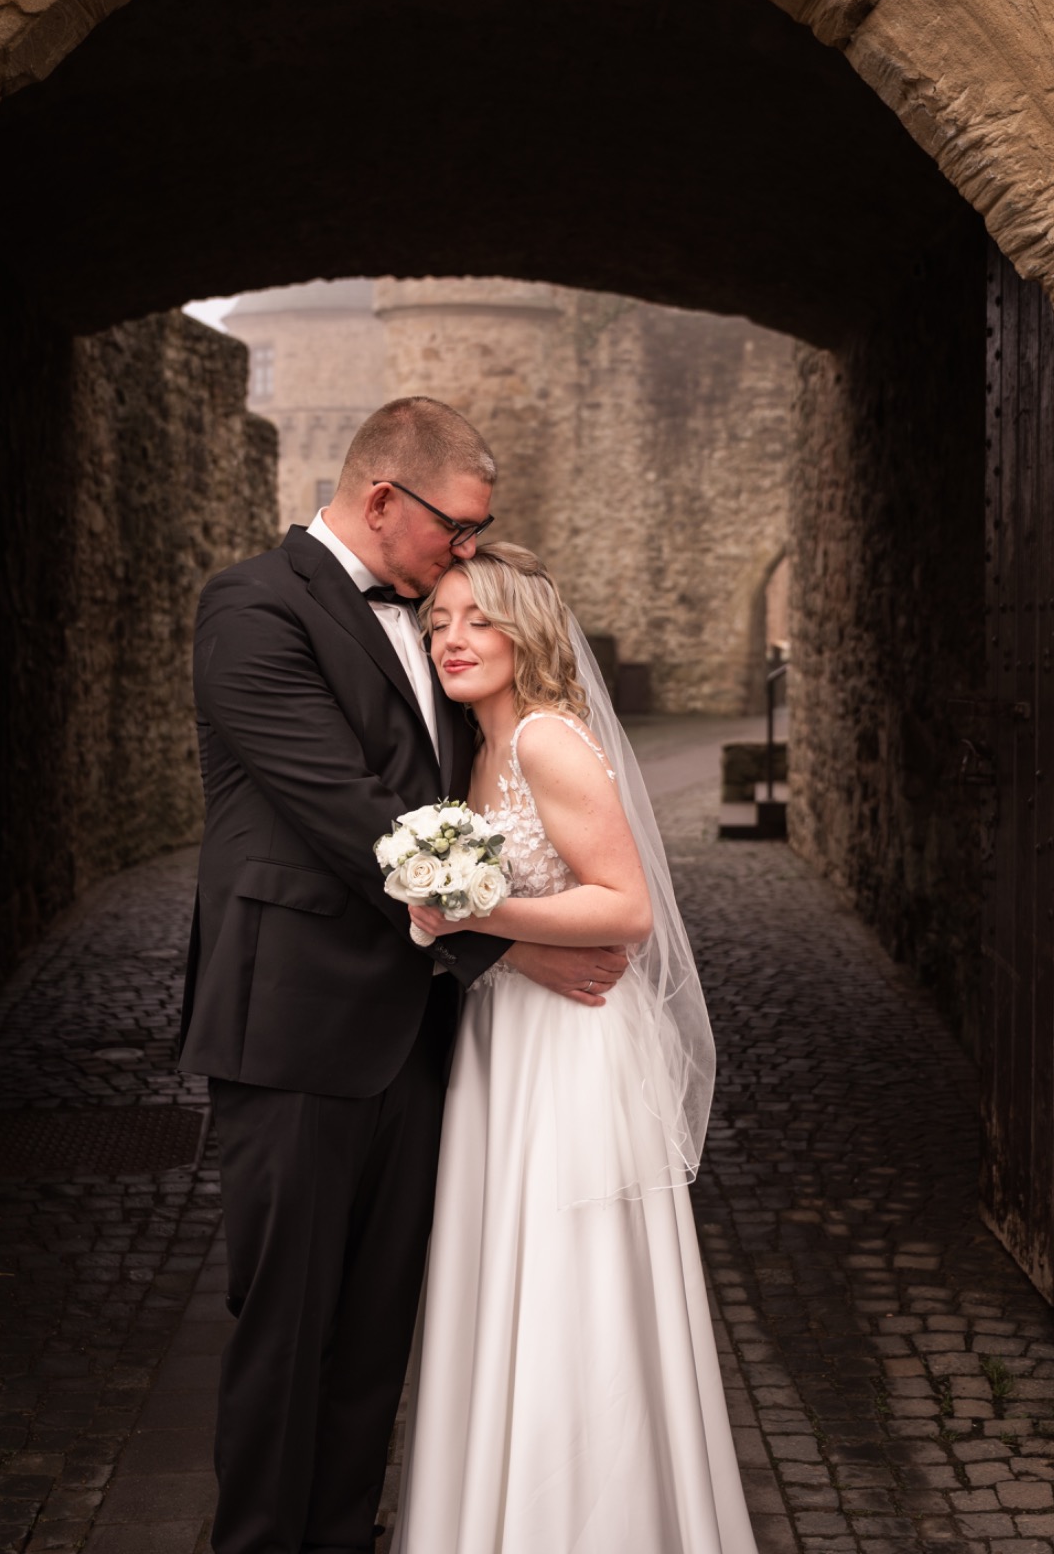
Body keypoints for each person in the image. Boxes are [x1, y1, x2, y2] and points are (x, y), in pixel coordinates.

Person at [178, 400, 628, 1554]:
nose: (467, 547)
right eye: (457, 525)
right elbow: (353, 816)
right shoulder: (252, 606)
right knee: (285, 1329)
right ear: (383, 497)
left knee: (377, 1330)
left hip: (419, 1035)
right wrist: (513, 941)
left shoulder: (439, 620)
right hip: (293, 1027)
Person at [391, 542, 758, 1554]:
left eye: (478, 618)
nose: (453, 639)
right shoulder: (472, 751)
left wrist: (469, 910)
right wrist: (473, 924)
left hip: (570, 1046)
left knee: (569, 1282)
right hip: (504, 1034)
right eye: (438, 622)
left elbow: (626, 906)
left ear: (525, 631)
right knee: (499, 1268)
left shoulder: (546, 739)